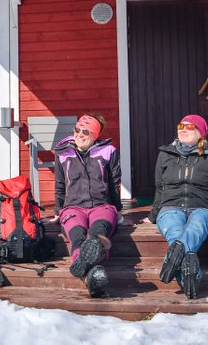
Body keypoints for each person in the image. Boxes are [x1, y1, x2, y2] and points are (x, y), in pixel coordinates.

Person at [147, 114, 208, 300]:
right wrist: (153, 215)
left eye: (189, 127)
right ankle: (192, 274)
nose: (183, 129)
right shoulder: (165, 154)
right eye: (180, 125)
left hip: (201, 207)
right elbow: (160, 188)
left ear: (200, 133)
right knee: (175, 229)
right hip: (170, 206)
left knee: (197, 226)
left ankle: (178, 259)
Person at [48, 113, 122, 297]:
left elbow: (114, 184)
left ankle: (85, 269)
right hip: (72, 207)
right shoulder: (63, 153)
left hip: (101, 206)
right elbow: (60, 185)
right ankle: (92, 274)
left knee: (97, 235)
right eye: (77, 130)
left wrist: (118, 212)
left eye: (86, 131)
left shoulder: (108, 152)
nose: (79, 134)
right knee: (77, 235)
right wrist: (58, 211)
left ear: (95, 135)